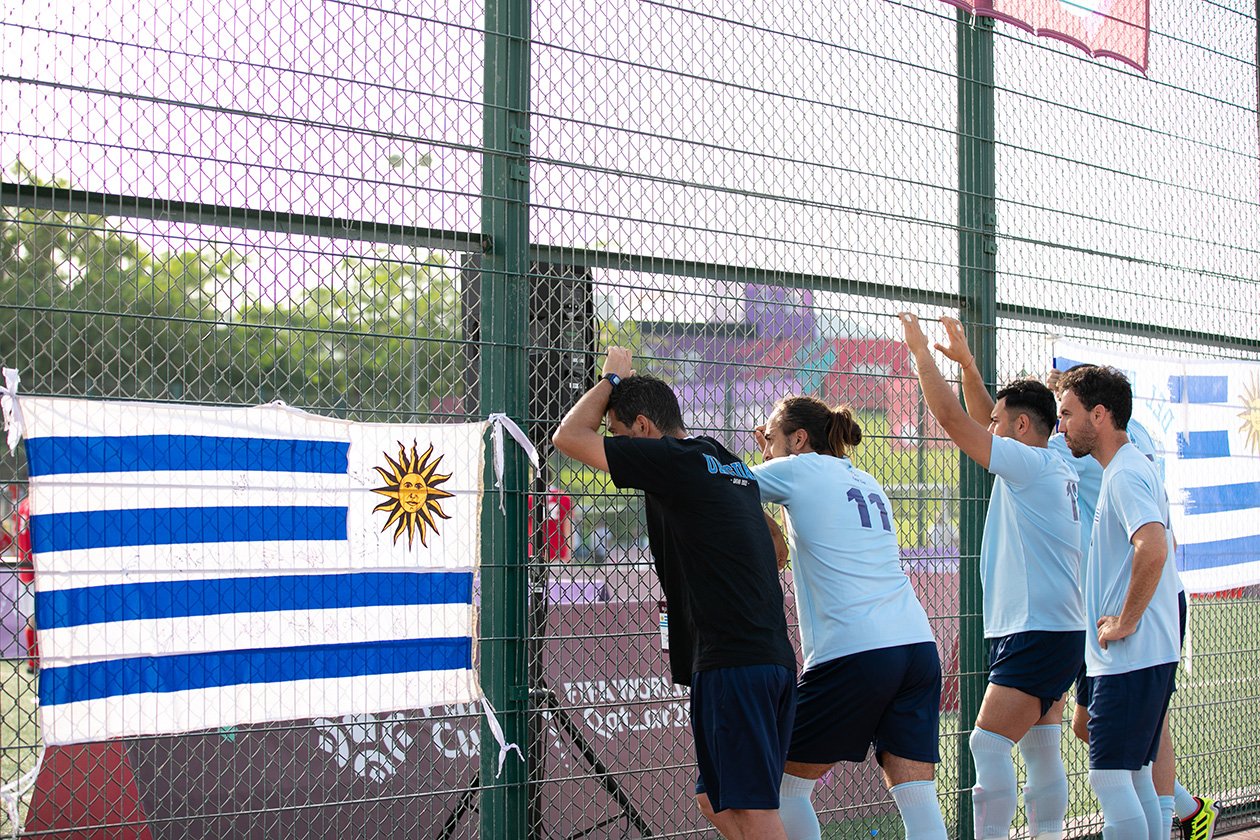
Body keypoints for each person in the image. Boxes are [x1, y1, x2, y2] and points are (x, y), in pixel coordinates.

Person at [552, 347, 798, 840]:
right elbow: (775, 541)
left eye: (620, 436)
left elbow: (568, 438)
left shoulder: (670, 460)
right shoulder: (721, 460)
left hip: (736, 660)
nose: (618, 450)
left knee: (751, 808)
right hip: (761, 655)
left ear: (643, 427)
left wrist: (610, 381)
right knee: (714, 799)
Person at [899, 314, 1084, 840]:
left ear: (1022, 427)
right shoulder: (1047, 460)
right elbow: (984, 420)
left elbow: (960, 425)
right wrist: (968, 367)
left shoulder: (1030, 466)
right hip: (1054, 628)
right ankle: (1048, 833)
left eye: (1003, 422)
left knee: (987, 744)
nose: (993, 429)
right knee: (1041, 746)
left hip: (1036, 628)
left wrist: (921, 355)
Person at [750, 396, 947, 840]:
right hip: (916, 646)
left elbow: (726, 485)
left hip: (856, 651)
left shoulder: (799, 468)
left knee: (782, 785)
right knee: (916, 793)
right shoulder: (867, 480)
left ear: (799, 439)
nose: (764, 448)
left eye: (770, 438)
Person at [1046, 368, 1217, 840]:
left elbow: (1156, 547)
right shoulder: (1129, 468)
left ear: (1099, 416)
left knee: (1110, 776)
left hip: (1130, 655)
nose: (1061, 427)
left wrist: (1124, 621)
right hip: (1138, 654)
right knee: (1137, 774)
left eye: (1068, 415)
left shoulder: (1123, 474)